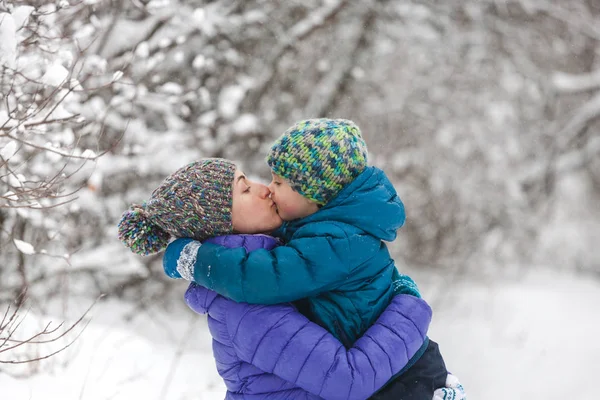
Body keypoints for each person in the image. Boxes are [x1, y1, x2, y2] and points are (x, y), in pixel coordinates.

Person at [118, 158, 466, 399]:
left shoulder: (278, 265)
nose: (263, 189)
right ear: (219, 224)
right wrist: (409, 309)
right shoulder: (243, 308)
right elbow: (347, 380)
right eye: (244, 189)